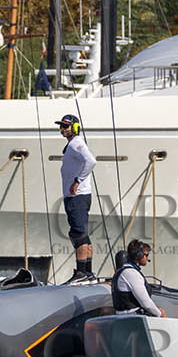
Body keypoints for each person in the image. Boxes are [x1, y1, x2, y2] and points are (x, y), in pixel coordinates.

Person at [56, 114, 98, 281]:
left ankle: (82, 273)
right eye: (61, 126)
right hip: (77, 196)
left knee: (78, 234)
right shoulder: (72, 144)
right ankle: (87, 272)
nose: (63, 129)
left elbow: (91, 161)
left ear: (74, 128)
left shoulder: (76, 143)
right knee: (83, 234)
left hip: (77, 196)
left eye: (66, 126)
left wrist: (77, 181)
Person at [111, 240, 164, 316]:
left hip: (126, 316)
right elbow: (146, 304)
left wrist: (155, 309)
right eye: (146, 255)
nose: (148, 257)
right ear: (139, 256)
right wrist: (160, 314)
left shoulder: (123, 271)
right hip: (132, 318)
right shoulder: (131, 273)